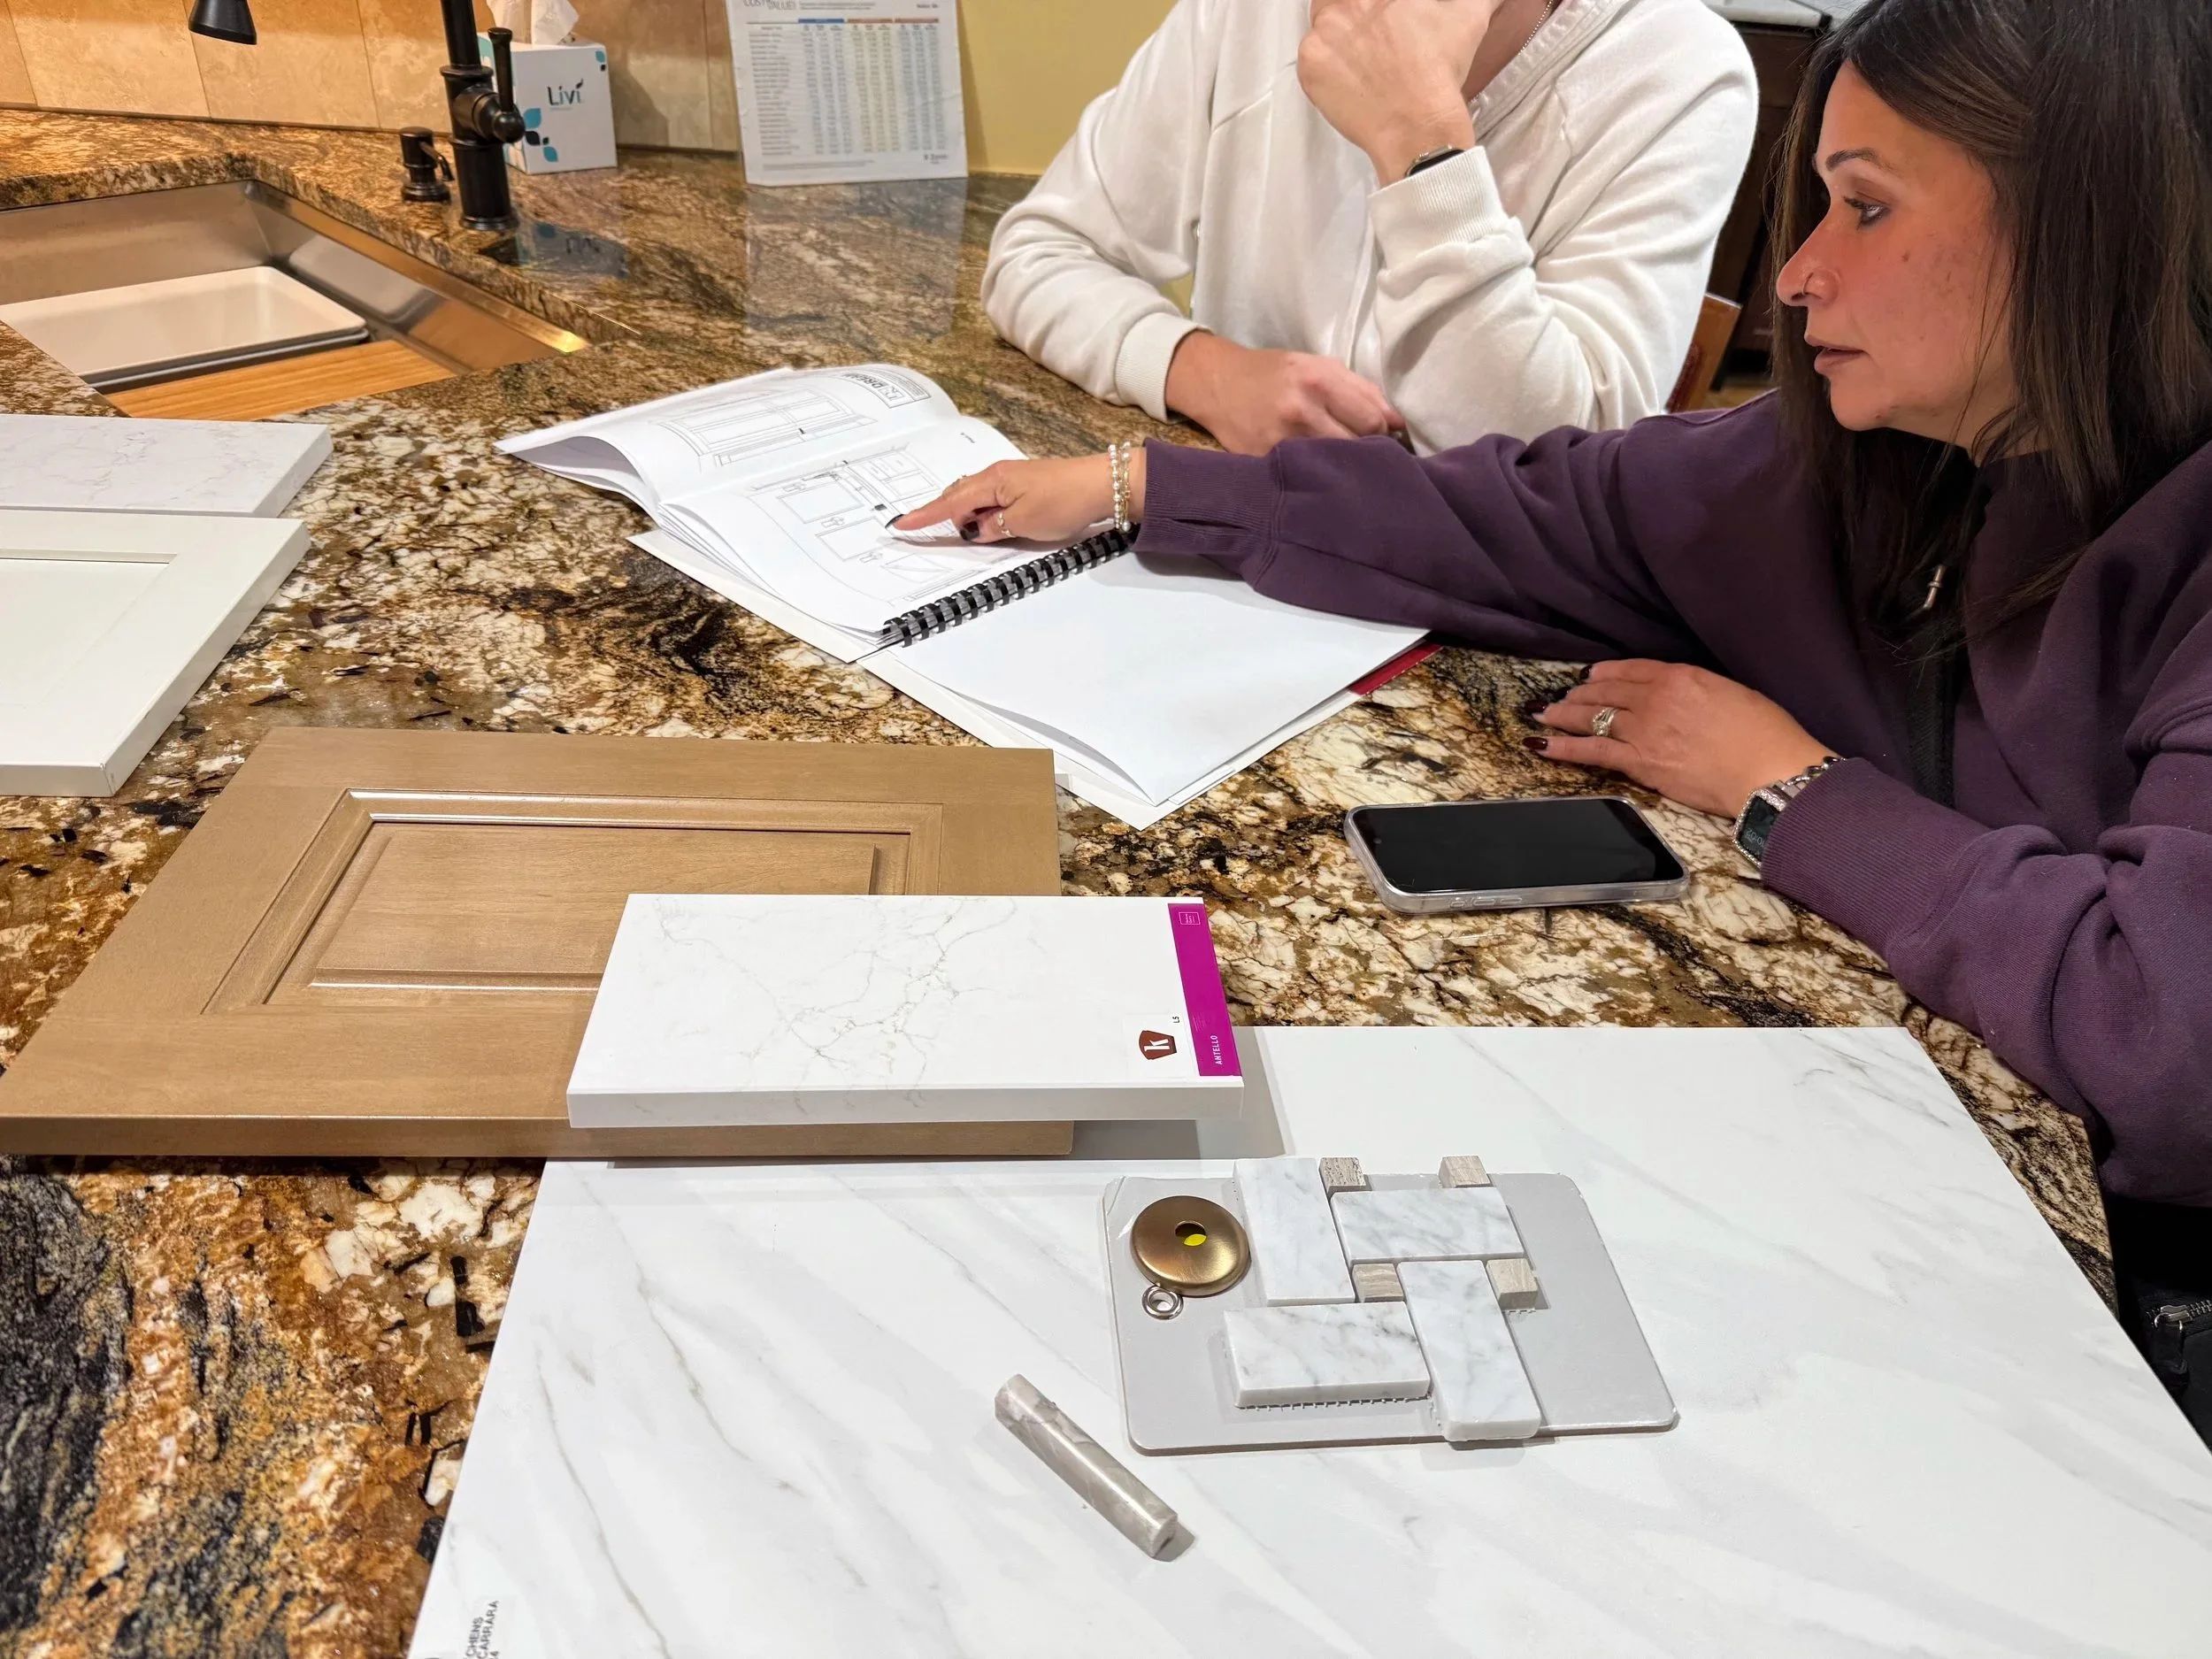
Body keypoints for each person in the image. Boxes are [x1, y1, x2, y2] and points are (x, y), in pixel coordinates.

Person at [897, 0, 2212, 1225]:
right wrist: (1149, 484)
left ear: (2093, 229)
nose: (1797, 275)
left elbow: (2165, 1041)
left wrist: (1789, 787)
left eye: (1863, 210)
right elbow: (1524, 510)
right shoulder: (1858, 457)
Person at [983, 0, 1756, 456]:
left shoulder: (1679, 68)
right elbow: (1039, 253)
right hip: (1230, 534)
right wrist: (1208, 374)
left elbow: (1565, 458)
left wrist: (1421, 141)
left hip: (1464, 614)